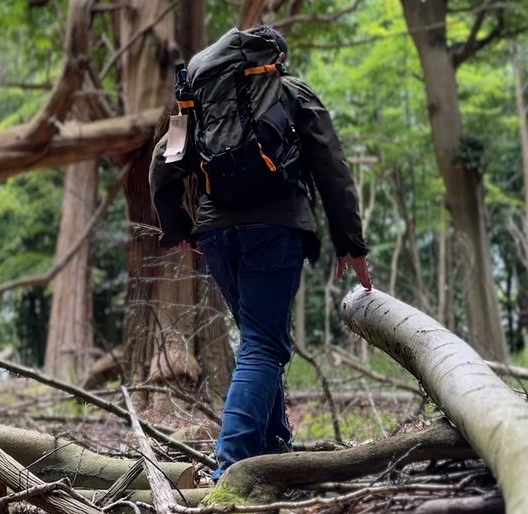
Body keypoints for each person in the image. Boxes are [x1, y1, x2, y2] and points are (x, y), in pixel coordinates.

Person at [149, 25, 373, 480]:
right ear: (275, 58)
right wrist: (349, 243)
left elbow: (162, 164)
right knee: (263, 345)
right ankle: (229, 472)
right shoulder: (292, 93)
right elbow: (331, 166)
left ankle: (275, 451)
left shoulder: (197, 103)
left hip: (216, 234)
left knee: (259, 339)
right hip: (275, 229)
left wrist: (180, 227)